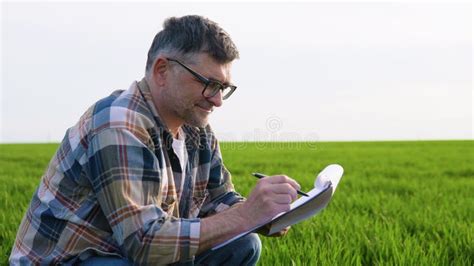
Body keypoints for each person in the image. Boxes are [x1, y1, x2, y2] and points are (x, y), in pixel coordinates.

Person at [10, 15, 301, 265]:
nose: (217, 100)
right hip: (78, 258)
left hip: (127, 253)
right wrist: (244, 216)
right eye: (209, 84)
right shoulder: (118, 124)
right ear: (162, 70)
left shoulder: (196, 129)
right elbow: (144, 243)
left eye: (224, 87)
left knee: (244, 244)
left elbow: (219, 199)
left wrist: (264, 215)